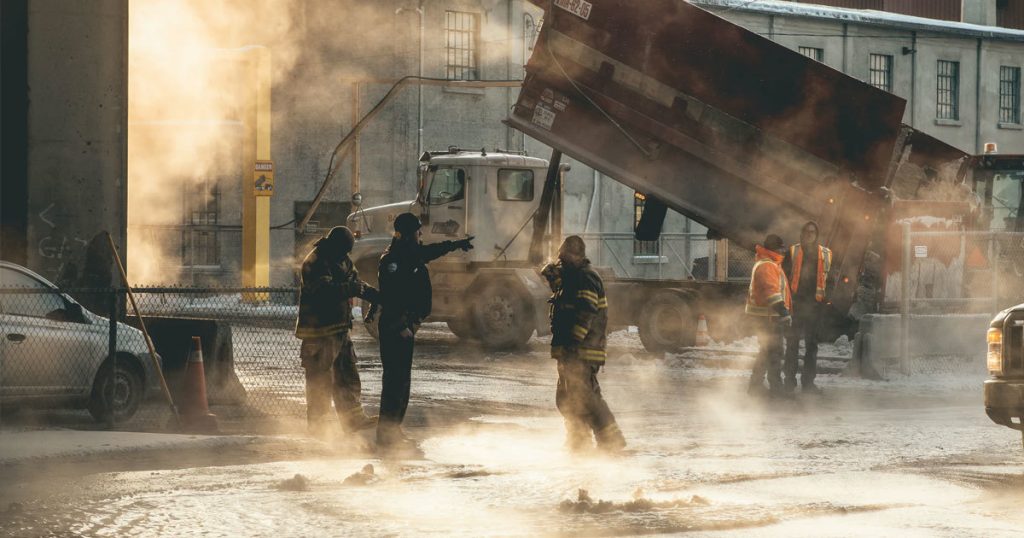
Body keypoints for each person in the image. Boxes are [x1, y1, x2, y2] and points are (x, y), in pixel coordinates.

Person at [375, 212, 473, 455]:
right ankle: (386, 435)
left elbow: (431, 251)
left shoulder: (409, 254)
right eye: (418, 232)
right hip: (396, 327)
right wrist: (401, 326)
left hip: (407, 325)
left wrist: (456, 245)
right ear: (409, 234)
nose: (421, 236)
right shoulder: (393, 261)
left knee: (402, 381)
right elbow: (391, 298)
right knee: (394, 383)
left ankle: (394, 430)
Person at [295, 226, 379, 438]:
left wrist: (377, 296)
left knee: (347, 376)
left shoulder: (342, 260)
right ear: (335, 245)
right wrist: (351, 289)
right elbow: (323, 292)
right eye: (343, 250)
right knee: (319, 383)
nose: (345, 255)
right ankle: (318, 430)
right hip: (318, 335)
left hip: (340, 331)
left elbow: (356, 283)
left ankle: (353, 420)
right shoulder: (315, 262)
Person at [544, 235, 626, 453]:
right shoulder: (573, 277)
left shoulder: (586, 277)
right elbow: (562, 294)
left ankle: (611, 442)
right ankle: (578, 441)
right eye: (559, 257)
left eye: (564, 257)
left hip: (582, 350)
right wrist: (551, 275)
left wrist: (573, 343)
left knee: (586, 398)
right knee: (567, 398)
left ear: (576, 255)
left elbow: (585, 313)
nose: (561, 261)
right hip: (569, 351)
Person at [782, 221, 832, 394]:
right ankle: (789, 382)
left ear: (817, 234)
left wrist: (825, 302)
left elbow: (829, 279)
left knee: (812, 346)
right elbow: (784, 278)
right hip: (796, 305)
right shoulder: (793, 251)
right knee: (792, 345)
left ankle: (808, 383)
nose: (810, 234)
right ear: (802, 233)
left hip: (814, 306)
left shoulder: (825, 254)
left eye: (813, 231)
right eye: (807, 231)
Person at [745, 234, 792, 397]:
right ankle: (775, 389)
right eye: (781, 247)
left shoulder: (768, 263)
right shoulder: (768, 265)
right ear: (774, 248)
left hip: (767, 317)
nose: (784, 250)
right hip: (769, 318)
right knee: (774, 352)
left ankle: (757, 386)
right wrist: (783, 312)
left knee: (768, 351)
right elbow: (771, 292)